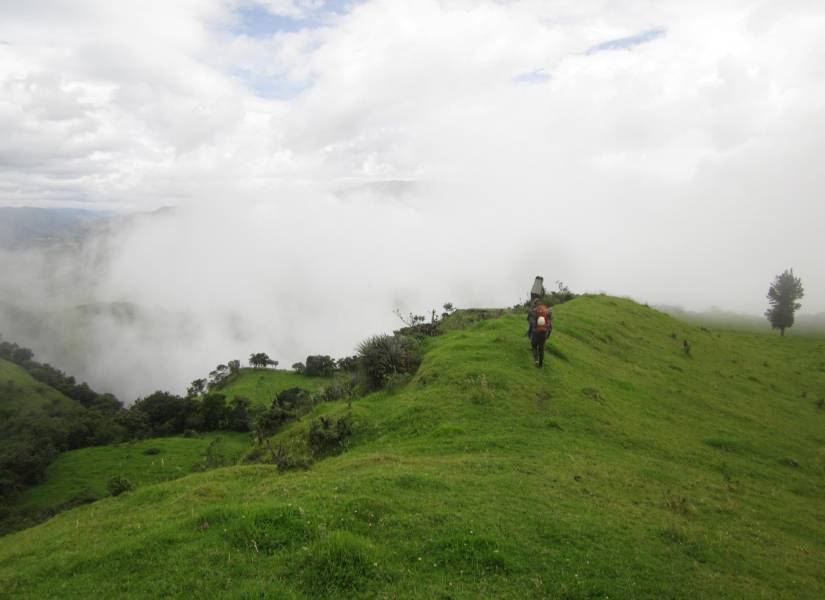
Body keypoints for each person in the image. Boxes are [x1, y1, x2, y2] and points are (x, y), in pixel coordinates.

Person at [529, 300, 552, 368]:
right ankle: (541, 364)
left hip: (536, 332)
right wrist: (548, 334)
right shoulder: (546, 312)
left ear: (535, 304)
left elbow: (532, 323)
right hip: (544, 333)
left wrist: (534, 329)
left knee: (534, 346)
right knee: (541, 348)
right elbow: (549, 325)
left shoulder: (534, 311)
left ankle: (536, 360)